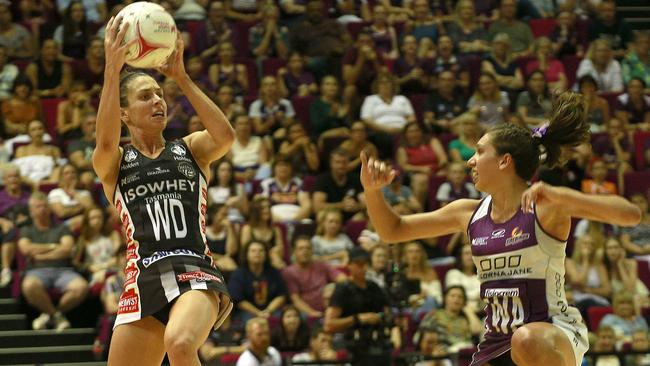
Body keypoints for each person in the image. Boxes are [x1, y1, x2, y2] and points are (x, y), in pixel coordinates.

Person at [359, 91, 642, 366]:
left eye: (480, 152)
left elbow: (630, 215)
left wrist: (562, 196)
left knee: (526, 338)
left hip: (551, 333)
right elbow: (392, 231)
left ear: (505, 161)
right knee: (518, 340)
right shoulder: (467, 213)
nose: (470, 160)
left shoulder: (546, 206)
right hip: (497, 342)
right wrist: (372, 192)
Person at [95, 18, 235, 365]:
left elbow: (225, 136)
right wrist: (111, 72)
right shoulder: (114, 162)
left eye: (159, 94)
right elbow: (106, 139)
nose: (158, 100)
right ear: (124, 113)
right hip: (143, 277)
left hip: (194, 268)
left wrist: (181, 79)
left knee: (180, 342)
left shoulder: (190, 149)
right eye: (146, 96)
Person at [19, 192, 89, 330]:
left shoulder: (61, 228)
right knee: (29, 286)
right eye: (38, 207)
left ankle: (49, 315)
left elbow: (67, 249)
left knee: (81, 287)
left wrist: (40, 255)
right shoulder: (26, 230)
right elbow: (26, 249)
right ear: (31, 211)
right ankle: (57, 316)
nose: (43, 209)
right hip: (36, 271)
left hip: (63, 271)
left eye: (45, 206)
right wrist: (53, 246)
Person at [324, 247, 400, 366]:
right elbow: (329, 325)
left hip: (378, 344)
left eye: (366, 264)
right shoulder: (342, 289)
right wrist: (358, 319)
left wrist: (386, 321)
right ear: (349, 265)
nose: (363, 267)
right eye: (359, 264)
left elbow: (388, 313)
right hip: (352, 346)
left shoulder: (374, 287)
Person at [282, 235, 343, 317]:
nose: (305, 251)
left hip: (328, 308)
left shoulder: (321, 265)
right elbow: (296, 300)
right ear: (294, 252)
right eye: (301, 249)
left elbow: (342, 278)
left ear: (312, 251)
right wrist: (312, 313)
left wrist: (334, 287)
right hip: (304, 312)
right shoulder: (289, 272)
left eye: (308, 248)